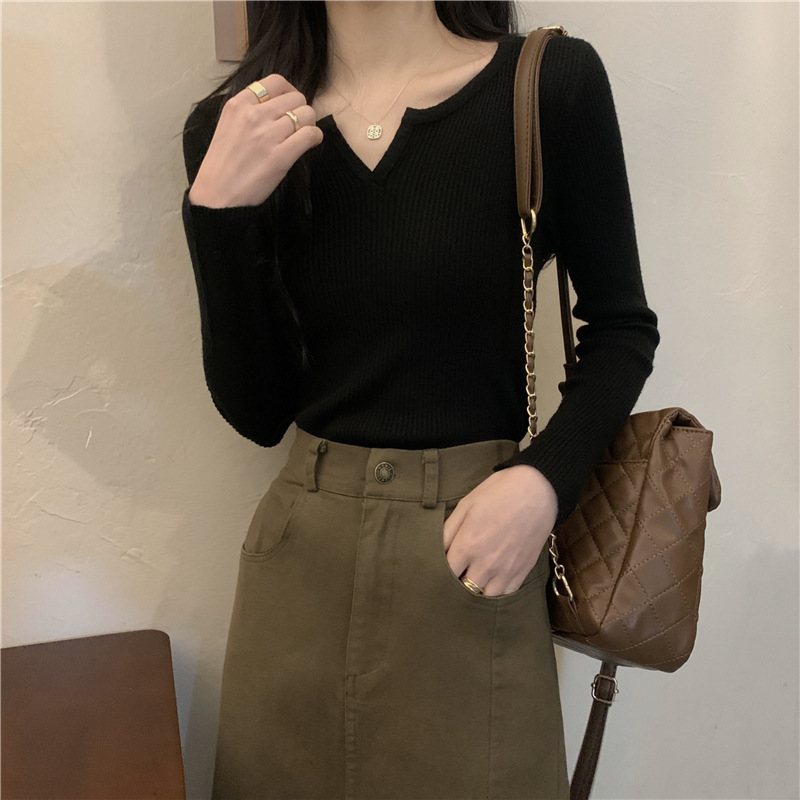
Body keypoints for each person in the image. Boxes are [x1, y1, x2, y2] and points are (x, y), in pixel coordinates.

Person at [179, 1, 659, 798]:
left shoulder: (547, 86)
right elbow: (257, 413)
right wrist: (216, 218)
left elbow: (621, 327)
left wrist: (544, 480)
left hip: (475, 556)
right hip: (301, 566)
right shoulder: (239, 125)